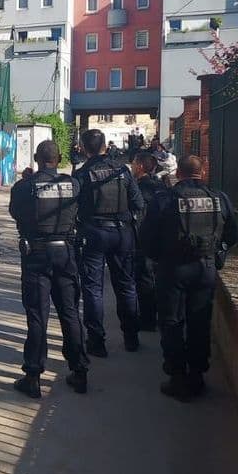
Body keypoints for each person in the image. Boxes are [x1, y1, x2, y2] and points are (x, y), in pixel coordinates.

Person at [140, 155, 238, 401]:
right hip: (205, 268)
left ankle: (177, 376)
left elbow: (147, 238)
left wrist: (157, 259)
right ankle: (197, 375)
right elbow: (232, 234)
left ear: (178, 174)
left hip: (172, 269)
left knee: (172, 322)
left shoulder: (165, 199)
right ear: (202, 172)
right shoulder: (219, 199)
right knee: (200, 320)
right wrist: (217, 252)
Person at [8, 141, 89, 398]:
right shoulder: (74, 184)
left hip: (36, 255)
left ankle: (33, 376)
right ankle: (80, 370)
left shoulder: (24, 187)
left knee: (37, 316)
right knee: (69, 313)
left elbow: (16, 214)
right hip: (65, 252)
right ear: (60, 158)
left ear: (36, 158)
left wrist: (27, 183)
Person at [73, 129, 145, 357]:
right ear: (105, 146)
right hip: (123, 234)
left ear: (84, 149)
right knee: (126, 285)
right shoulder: (122, 171)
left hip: (94, 234)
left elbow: (72, 207)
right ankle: (131, 337)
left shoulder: (82, 174)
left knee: (93, 289)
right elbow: (139, 203)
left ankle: (96, 342)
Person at [131, 152, 166, 331]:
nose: (131, 166)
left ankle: (147, 319)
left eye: (134, 163)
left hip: (143, 238)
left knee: (145, 279)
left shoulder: (138, 188)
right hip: (162, 239)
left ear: (141, 167)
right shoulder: (160, 186)